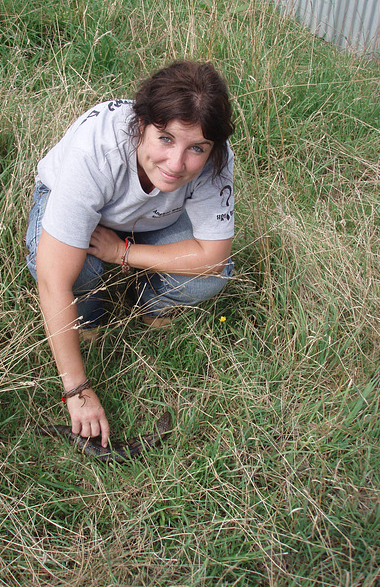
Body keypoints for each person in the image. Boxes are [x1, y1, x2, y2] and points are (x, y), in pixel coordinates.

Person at [25, 60, 235, 449]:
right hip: (82, 216)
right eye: (166, 138)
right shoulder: (98, 147)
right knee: (74, 270)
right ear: (141, 124)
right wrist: (77, 390)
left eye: (196, 149)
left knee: (212, 277)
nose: (177, 164)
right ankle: (89, 319)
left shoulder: (215, 159)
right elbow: (53, 278)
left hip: (148, 226)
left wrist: (123, 253)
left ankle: (148, 298)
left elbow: (213, 257)